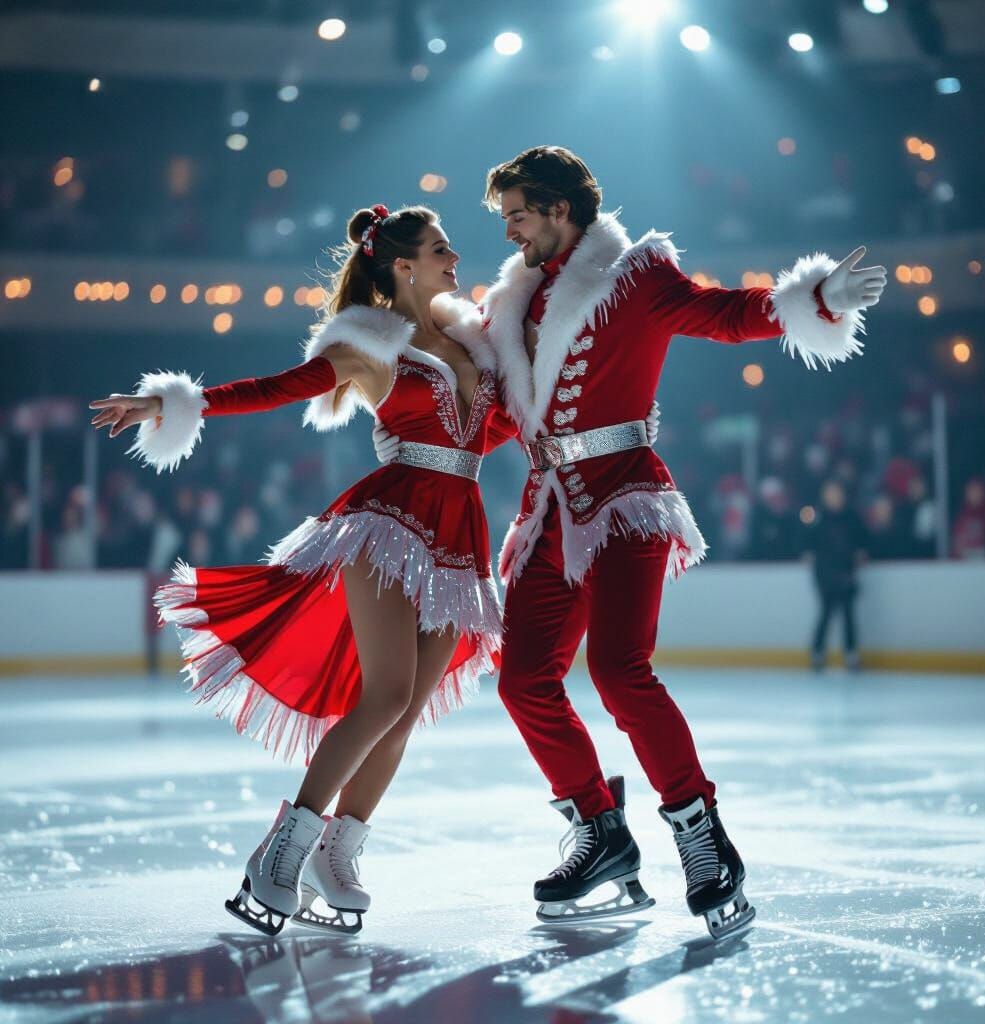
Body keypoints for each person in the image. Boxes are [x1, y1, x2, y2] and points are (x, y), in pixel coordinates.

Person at [376, 146, 886, 941]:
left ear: (558, 209)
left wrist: (812, 297)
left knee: (619, 669)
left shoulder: (635, 275)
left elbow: (721, 315)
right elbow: (515, 414)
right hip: (548, 511)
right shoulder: (516, 305)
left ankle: (701, 837)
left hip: (626, 501)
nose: (508, 233)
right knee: (524, 681)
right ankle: (602, 833)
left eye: (516, 215)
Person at [89, 205, 517, 937]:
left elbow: (495, 429)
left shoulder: (478, 345)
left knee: (407, 712)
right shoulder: (370, 347)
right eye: (441, 250)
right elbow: (274, 388)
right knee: (385, 695)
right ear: (403, 265)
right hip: (388, 522)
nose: (456, 260)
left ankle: (337, 852)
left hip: (460, 535)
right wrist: (172, 401)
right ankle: (280, 851)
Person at [806, 479, 869, 671]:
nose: (833, 497)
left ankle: (851, 653)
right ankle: (818, 652)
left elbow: (862, 539)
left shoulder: (851, 516)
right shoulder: (817, 518)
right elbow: (806, 542)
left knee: (848, 614)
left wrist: (861, 551)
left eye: (836, 492)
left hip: (846, 571)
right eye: (830, 493)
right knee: (825, 612)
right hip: (824, 573)